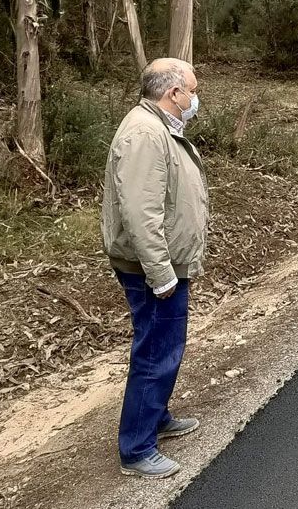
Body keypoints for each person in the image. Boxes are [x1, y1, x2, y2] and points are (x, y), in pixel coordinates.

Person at [101, 57, 209, 479]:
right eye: (193, 90)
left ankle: (156, 416)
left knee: (167, 344)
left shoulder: (159, 126)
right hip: (152, 268)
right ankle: (137, 448)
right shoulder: (145, 134)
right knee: (155, 351)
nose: (196, 97)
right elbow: (141, 213)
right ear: (174, 93)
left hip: (164, 262)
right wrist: (160, 272)